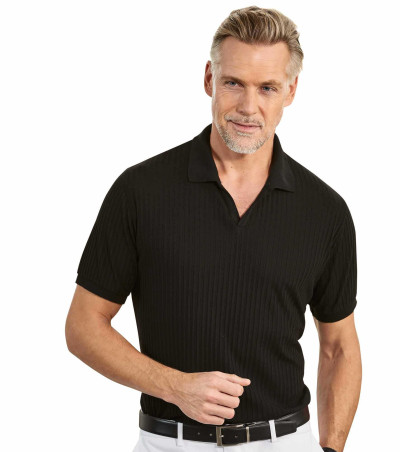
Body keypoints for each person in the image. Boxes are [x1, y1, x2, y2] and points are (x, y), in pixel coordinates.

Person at [65, 6, 361, 452]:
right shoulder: (140, 191)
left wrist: (332, 449)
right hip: (169, 442)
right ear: (209, 79)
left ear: (291, 91)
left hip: (285, 442)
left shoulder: (326, 211)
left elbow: (339, 347)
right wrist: (174, 386)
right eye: (233, 83)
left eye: (267, 88)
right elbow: (83, 325)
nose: (248, 107)